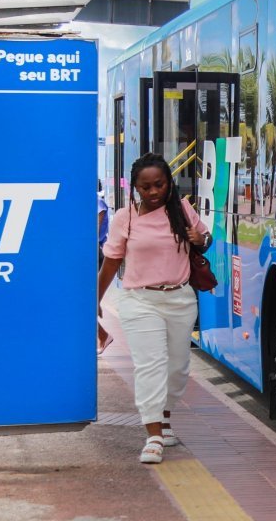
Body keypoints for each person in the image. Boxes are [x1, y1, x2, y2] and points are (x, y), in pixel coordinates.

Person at [98, 153, 212, 464]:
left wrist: (200, 237)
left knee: (176, 370)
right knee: (150, 366)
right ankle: (153, 435)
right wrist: (93, 302)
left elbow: (206, 238)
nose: (152, 192)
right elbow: (111, 262)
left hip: (180, 299)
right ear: (135, 187)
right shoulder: (126, 217)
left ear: (169, 184)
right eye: (145, 187)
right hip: (139, 300)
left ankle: (163, 417)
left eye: (158, 185)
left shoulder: (182, 210)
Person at [96, 180, 113, 355]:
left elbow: (95, 228)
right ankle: (102, 335)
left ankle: (103, 335)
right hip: (91, 252)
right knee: (85, 301)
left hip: (93, 253)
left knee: (84, 301)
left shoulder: (96, 201)